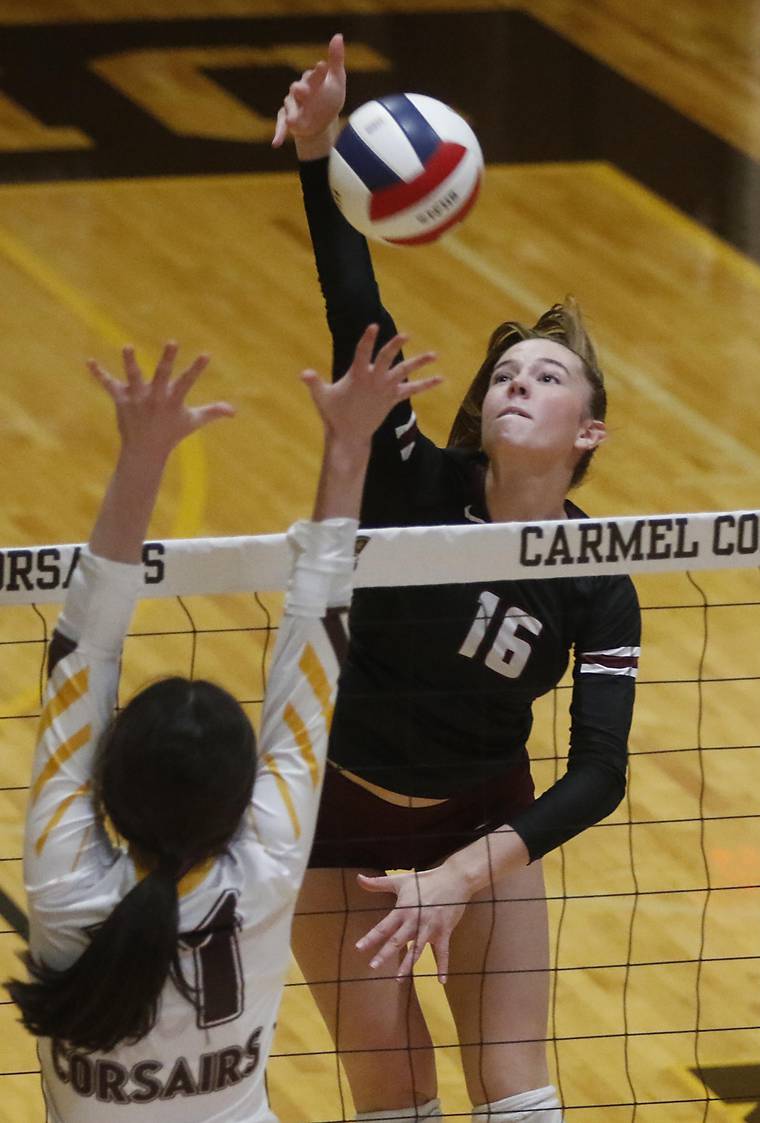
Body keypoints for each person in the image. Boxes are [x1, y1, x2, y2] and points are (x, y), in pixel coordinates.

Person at [272, 34, 641, 1123]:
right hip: (341, 815)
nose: (518, 382)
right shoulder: (408, 479)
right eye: (505, 374)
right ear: (476, 408)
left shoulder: (592, 577)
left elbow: (601, 774)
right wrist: (318, 150)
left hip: (481, 821)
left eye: (549, 374)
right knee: (395, 1086)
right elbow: (357, 314)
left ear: (588, 430)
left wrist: (461, 875)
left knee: (511, 1078)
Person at [7, 328, 439, 1123]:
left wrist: (141, 453)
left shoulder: (67, 879)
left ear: (105, 780)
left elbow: (82, 648)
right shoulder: (271, 859)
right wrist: (350, 444)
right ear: (244, 796)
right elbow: (315, 643)